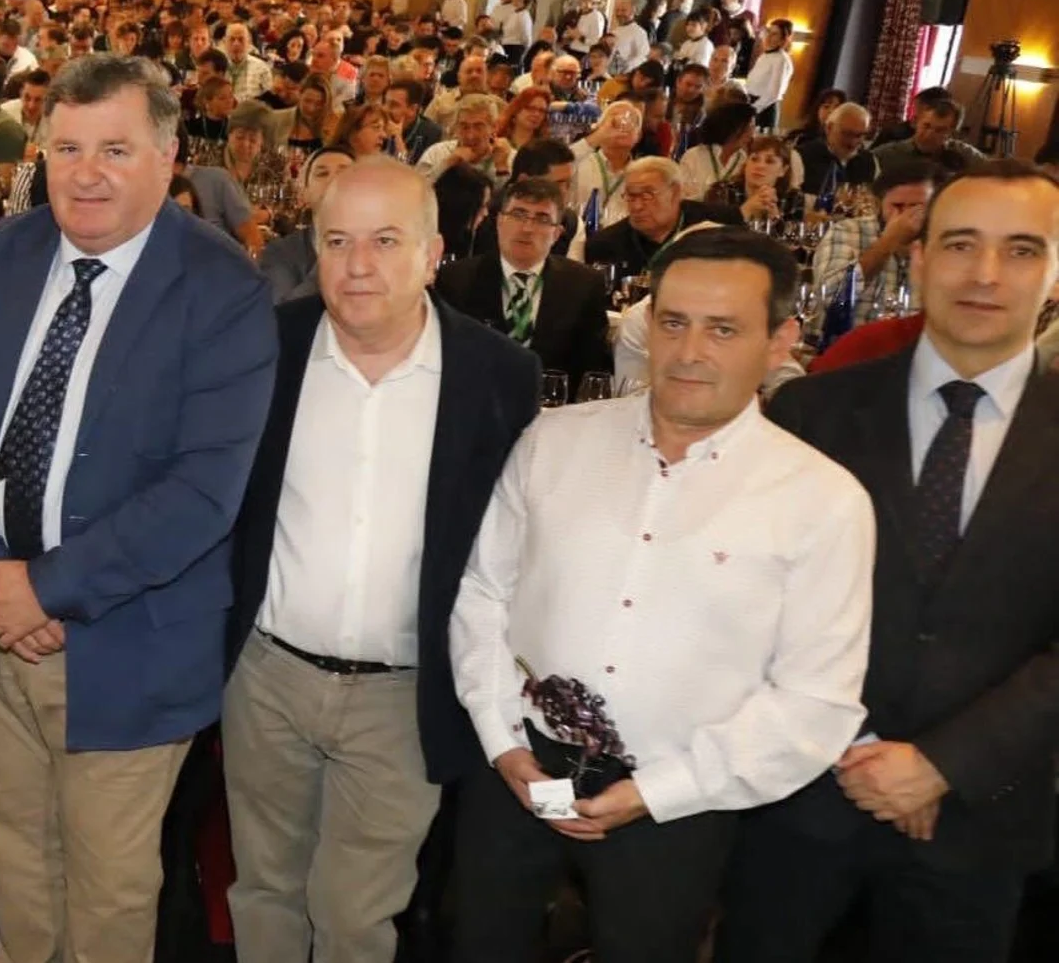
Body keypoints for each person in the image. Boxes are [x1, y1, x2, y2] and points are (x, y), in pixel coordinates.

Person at [0, 53, 278, 963]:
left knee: (110, 887)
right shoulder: (0, 252)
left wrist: (49, 590)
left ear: (165, 156)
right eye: (67, 147)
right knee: (14, 855)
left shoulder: (224, 288)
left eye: (115, 148)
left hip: (127, 640)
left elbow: (203, 492)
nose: (87, 172)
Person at [450, 224, 876, 963]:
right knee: (478, 943)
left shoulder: (821, 499)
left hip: (680, 800)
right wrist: (501, 742)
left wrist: (657, 793)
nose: (690, 350)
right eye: (673, 321)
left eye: (723, 329)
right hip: (521, 771)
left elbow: (817, 702)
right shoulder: (554, 439)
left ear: (781, 342)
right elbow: (484, 593)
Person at [718, 160, 1059, 963]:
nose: (983, 273)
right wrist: (859, 746)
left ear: (1054, 271)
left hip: (981, 817)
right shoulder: (815, 411)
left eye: (1020, 249)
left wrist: (943, 763)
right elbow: (747, 596)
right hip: (801, 801)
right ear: (918, 259)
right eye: (960, 244)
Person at [225, 154, 540, 963]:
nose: (358, 264)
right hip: (266, 679)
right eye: (336, 241)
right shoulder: (267, 348)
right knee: (262, 888)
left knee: (356, 915)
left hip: (405, 694)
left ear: (434, 252)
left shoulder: (498, 375)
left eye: (385, 240)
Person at [438, 176, 612, 386]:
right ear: (500, 222)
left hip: (553, 410)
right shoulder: (456, 279)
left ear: (556, 234)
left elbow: (593, 370)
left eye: (542, 219)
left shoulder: (583, 285)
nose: (527, 228)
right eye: (518, 215)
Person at [809, 160, 942, 333]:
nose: (907, 216)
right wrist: (888, 242)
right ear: (879, 204)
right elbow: (831, 298)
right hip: (849, 347)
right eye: (898, 207)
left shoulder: (943, 243)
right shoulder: (848, 230)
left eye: (917, 207)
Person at [585, 156, 745, 277]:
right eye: (631, 196)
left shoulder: (720, 224)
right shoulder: (605, 244)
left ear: (675, 193)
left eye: (647, 195)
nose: (637, 206)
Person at [258, 146, 354, 303]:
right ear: (304, 195)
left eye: (345, 172)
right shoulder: (281, 253)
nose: (334, 180)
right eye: (322, 174)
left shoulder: (383, 247)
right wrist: (332, 256)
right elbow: (280, 317)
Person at [871, 96, 985, 175]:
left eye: (940, 130)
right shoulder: (888, 154)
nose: (929, 134)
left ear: (952, 133)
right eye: (926, 126)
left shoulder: (965, 154)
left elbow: (993, 173)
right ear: (916, 123)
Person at [418, 94, 511, 185]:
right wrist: (448, 164)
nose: (470, 135)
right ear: (455, 127)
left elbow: (511, 199)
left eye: (478, 127)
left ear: (494, 127)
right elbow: (418, 193)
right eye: (464, 127)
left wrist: (501, 169)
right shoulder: (437, 153)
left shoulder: (508, 158)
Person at [798, 101, 878, 196]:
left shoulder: (869, 161)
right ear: (829, 128)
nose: (852, 143)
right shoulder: (801, 156)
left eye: (860, 135)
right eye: (847, 134)